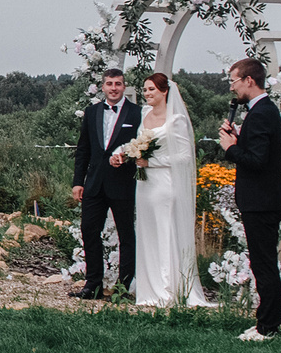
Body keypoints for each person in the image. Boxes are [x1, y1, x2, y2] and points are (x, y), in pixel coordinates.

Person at [114, 73, 212, 309]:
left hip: (164, 184)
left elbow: (185, 156)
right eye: (145, 90)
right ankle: (149, 288)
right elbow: (136, 144)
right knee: (147, 232)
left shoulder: (175, 120)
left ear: (164, 91)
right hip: (145, 185)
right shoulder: (145, 114)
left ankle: (168, 289)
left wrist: (153, 163)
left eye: (151, 90)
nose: (147, 94)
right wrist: (124, 154)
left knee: (164, 232)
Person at [218, 58, 281, 341]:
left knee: (264, 264)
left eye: (234, 81)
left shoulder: (261, 113)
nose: (232, 87)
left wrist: (231, 148)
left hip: (261, 201)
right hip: (262, 200)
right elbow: (259, 150)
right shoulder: (262, 111)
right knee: (262, 262)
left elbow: (257, 161)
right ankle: (264, 322)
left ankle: (268, 327)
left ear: (249, 80)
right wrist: (238, 137)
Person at [69, 70, 141, 301]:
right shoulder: (92, 112)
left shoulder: (137, 113)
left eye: (118, 84)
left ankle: (123, 287)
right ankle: (93, 285)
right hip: (95, 184)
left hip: (123, 184)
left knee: (126, 236)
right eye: (109, 84)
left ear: (124, 86)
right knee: (89, 231)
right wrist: (78, 182)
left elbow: (142, 146)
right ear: (103, 86)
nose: (113, 88)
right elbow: (83, 150)